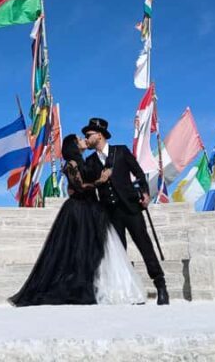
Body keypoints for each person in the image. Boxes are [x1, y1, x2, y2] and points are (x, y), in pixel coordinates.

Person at [9, 134, 144, 306]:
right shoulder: (71, 164)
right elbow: (79, 186)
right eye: (79, 139)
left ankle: (116, 289)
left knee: (101, 248)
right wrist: (100, 181)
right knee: (79, 248)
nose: (83, 140)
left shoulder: (85, 161)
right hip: (79, 209)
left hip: (92, 207)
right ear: (74, 145)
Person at [82, 117, 170, 305]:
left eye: (88, 135)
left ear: (99, 135)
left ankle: (161, 286)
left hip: (131, 208)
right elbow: (85, 185)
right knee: (118, 254)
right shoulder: (89, 161)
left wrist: (145, 193)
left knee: (145, 246)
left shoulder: (120, 152)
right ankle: (129, 292)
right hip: (110, 213)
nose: (86, 138)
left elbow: (139, 173)